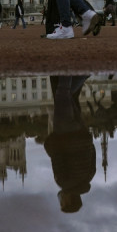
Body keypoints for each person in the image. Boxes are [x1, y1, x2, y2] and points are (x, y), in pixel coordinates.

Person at [44, 75, 96, 213]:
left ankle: (81, 72)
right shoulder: (63, 181)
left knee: (70, 98)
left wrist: (85, 137)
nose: (61, 200)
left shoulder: (89, 177)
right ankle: (70, 69)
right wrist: (47, 143)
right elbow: (57, 156)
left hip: (80, 132)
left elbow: (93, 152)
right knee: (62, 94)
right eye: (63, 203)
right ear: (69, 200)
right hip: (64, 133)